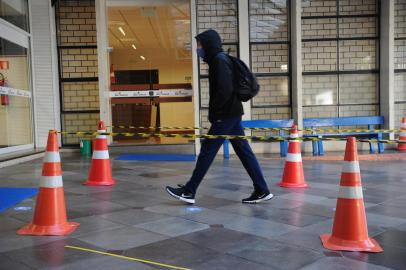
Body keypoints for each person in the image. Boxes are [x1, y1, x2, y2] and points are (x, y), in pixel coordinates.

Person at [166, 29, 273, 204]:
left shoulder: (218, 61)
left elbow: (224, 91)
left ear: (208, 44)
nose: (198, 48)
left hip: (226, 115)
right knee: (244, 152)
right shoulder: (219, 59)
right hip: (232, 114)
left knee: (207, 151)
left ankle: (189, 191)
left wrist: (216, 115)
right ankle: (262, 189)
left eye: (200, 44)